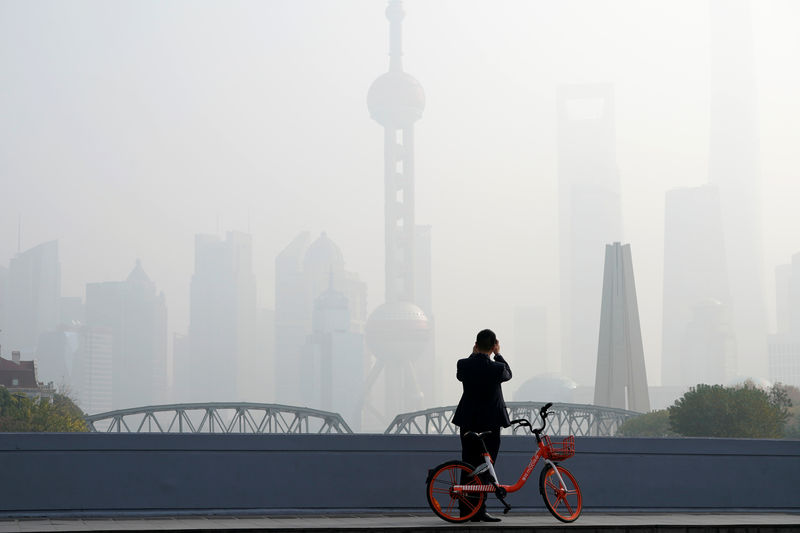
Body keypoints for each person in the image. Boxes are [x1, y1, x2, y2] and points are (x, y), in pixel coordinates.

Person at [452, 328, 512, 522]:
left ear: (476, 345)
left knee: (467, 465)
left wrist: (473, 354)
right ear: (493, 346)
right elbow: (508, 373)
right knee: (486, 466)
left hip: (468, 422)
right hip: (491, 424)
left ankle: (465, 511)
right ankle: (479, 510)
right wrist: (498, 354)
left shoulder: (463, 364)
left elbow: (461, 376)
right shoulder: (496, 368)